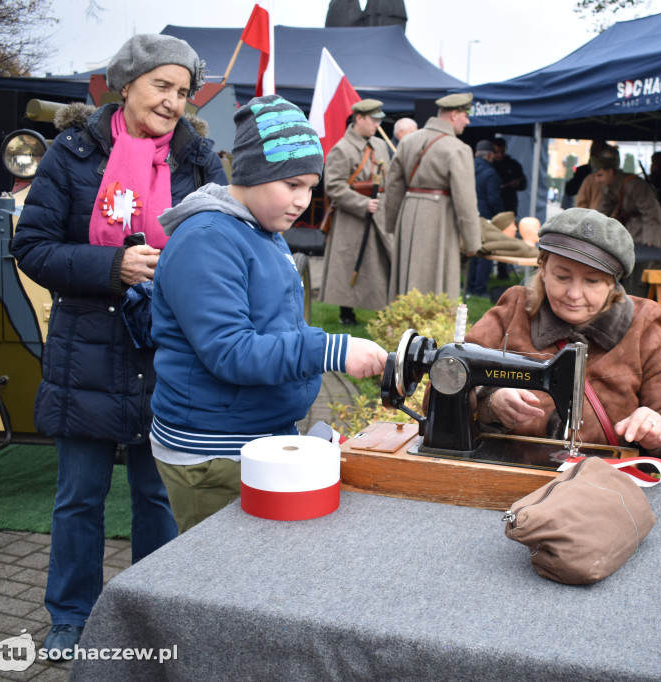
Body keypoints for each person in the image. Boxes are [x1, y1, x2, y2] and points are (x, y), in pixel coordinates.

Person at [10, 34, 227, 659]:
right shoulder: (71, 154)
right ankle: (71, 617)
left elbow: (220, 239)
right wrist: (115, 266)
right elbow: (34, 246)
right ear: (125, 84)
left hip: (164, 351)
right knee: (79, 495)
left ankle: (148, 616)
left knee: (156, 493)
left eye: (183, 92)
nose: (172, 102)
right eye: (161, 86)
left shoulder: (199, 159)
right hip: (88, 349)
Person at [149, 95, 388, 534]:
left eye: (311, 187)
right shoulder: (207, 239)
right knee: (222, 584)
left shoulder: (261, 230)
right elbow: (231, 351)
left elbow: (278, 328)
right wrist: (333, 349)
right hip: (214, 451)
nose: (302, 200)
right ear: (253, 173)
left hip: (254, 438)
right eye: (292, 184)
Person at [464, 208, 661, 473]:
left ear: (613, 285)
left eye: (592, 281)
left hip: (605, 489)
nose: (574, 294)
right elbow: (446, 386)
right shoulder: (513, 310)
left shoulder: (642, 325)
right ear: (543, 268)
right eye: (562, 276)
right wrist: (489, 404)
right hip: (512, 477)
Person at [383, 92, 481, 299]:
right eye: (466, 115)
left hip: (407, 215)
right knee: (437, 281)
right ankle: (432, 325)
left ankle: (403, 323)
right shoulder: (458, 148)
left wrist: (391, 225)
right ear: (454, 115)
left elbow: (392, 187)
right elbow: (466, 201)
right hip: (439, 219)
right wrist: (472, 242)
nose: (468, 121)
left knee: (406, 279)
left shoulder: (407, 141)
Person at [320, 99, 393, 326]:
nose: (377, 125)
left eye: (379, 120)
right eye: (373, 120)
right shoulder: (342, 149)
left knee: (380, 263)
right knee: (351, 263)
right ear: (359, 118)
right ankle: (346, 313)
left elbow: (388, 179)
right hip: (353, 218)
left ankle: (383, 309)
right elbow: (333, 187)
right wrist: (362, 203)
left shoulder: (380, 145)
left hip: (379, 213)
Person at [593, 145, 661, 296]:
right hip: (634, 226)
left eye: (600, 175)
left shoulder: (634, 185)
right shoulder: (608, 186)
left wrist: (650, 242)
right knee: (628, 263)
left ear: (611, 172)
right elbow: (601, 213)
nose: (597, 180)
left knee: (646, 266)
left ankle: (644, 300)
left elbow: (651, 213)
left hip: (652, 225)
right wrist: (591, 230)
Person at [467, 139, 506, 297]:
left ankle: (469, 287)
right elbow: (493, 199)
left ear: (476, 154)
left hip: (469, 215)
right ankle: (479, 289)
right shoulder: (490, 173)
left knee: (472, 252)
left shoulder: (466, 168)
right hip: (486, 217)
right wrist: (502, 216)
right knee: (485, 253)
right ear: (490, 156)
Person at [492, 137, 527, 215]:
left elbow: (523, 183)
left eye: (502, 152)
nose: (500, 155)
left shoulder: (514, 165)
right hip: (492, 206)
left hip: (509, 204)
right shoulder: (489, 165)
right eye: (497, 152)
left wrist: (517, 184)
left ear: (506, 149)